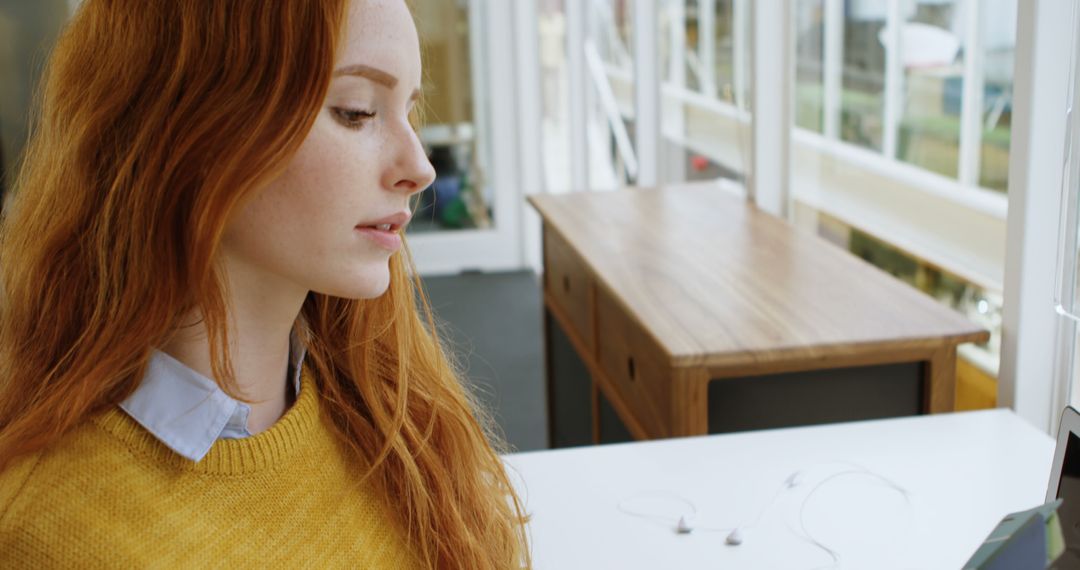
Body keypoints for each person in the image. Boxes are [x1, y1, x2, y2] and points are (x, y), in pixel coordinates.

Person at [0, 1, 530, 568]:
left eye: (409, 110)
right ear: (193, 126)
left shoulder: (391, 406)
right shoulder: (50, 533)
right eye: (356, 112)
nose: (419, 166)